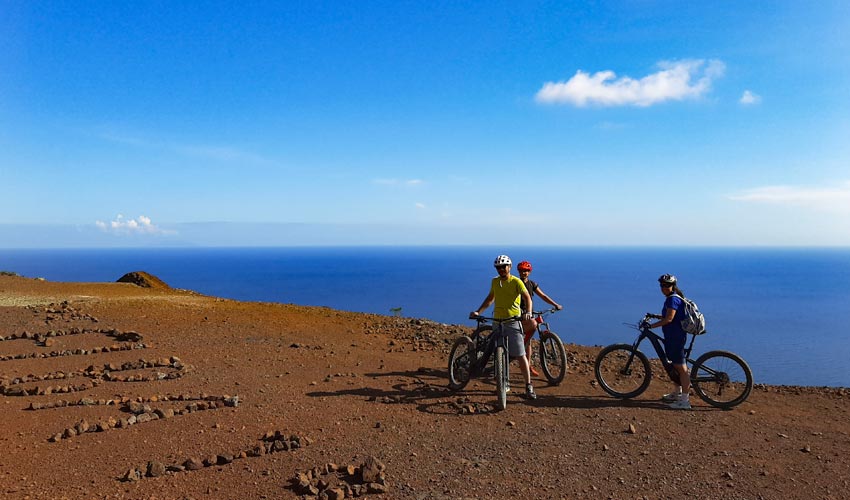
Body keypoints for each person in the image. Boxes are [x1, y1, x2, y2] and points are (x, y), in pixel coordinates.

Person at [470, 255, 537, 400]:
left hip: (512, 322)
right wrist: (478, 311)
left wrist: (529, 313)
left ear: (509, 267)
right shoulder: (495, 281)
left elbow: (527, 298)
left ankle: (528, 386)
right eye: (498, 267)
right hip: (497, 321)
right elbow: (490, 299)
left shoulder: (516, 281)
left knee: (520, 355)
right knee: (499, 353)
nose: (501, 269)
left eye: (503, 266)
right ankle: (502, 383)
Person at [644, 274, 691, 410]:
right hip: (672, 337)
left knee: (682, 370)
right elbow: (671, 316)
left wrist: (651, 326)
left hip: (676, 338)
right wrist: (655, 316)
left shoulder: (672, 300)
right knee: (674, 366)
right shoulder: (673, 299)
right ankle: (677, 393)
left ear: (673, 286)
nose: (663, 288)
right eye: (662, 285)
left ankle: (685, 402)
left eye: (666, 285)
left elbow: (669, 319)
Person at [515, 261, 563, 377]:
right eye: (521, 271)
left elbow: (543, 296)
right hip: (518, 314)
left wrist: (555, 305)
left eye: (526, 271)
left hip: (528, 314)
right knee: (524, 337)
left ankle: (528, 365)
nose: (524, 273)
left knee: (529, 341)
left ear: (529, 272)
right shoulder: (515, 283)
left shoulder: (532, 284)